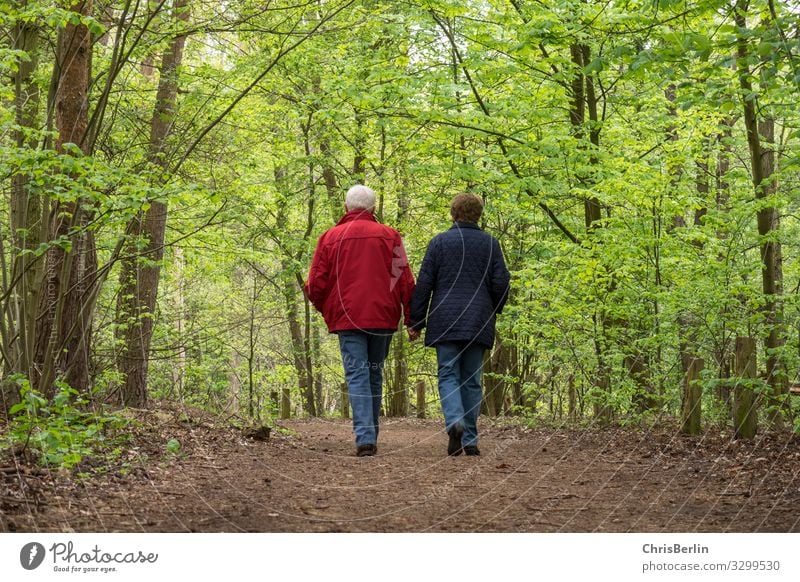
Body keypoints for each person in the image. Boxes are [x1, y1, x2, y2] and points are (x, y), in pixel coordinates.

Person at [305, 185, 417, 457]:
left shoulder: (330, 238)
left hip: (348, 317)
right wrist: (412, 317)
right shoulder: (390, 235)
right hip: (383, 316)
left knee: (358, 374)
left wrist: (327, 309)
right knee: (374, 372)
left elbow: (316, 283)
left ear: (346, 207)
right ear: (373, 209)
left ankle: (366, 436)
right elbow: (404, 279)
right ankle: (369, 434)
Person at [410, 193, 510, 456]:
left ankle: (455, 422)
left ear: (453, 213)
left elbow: (425, 284)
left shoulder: (439, 243)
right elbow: (501, 282)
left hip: (445, 319)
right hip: (478, 319)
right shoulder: (491, 244)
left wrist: (416, 321)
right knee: (472, 379)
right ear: (478, 215)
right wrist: (493, 309)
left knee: (448, 373)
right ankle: (471, 440)